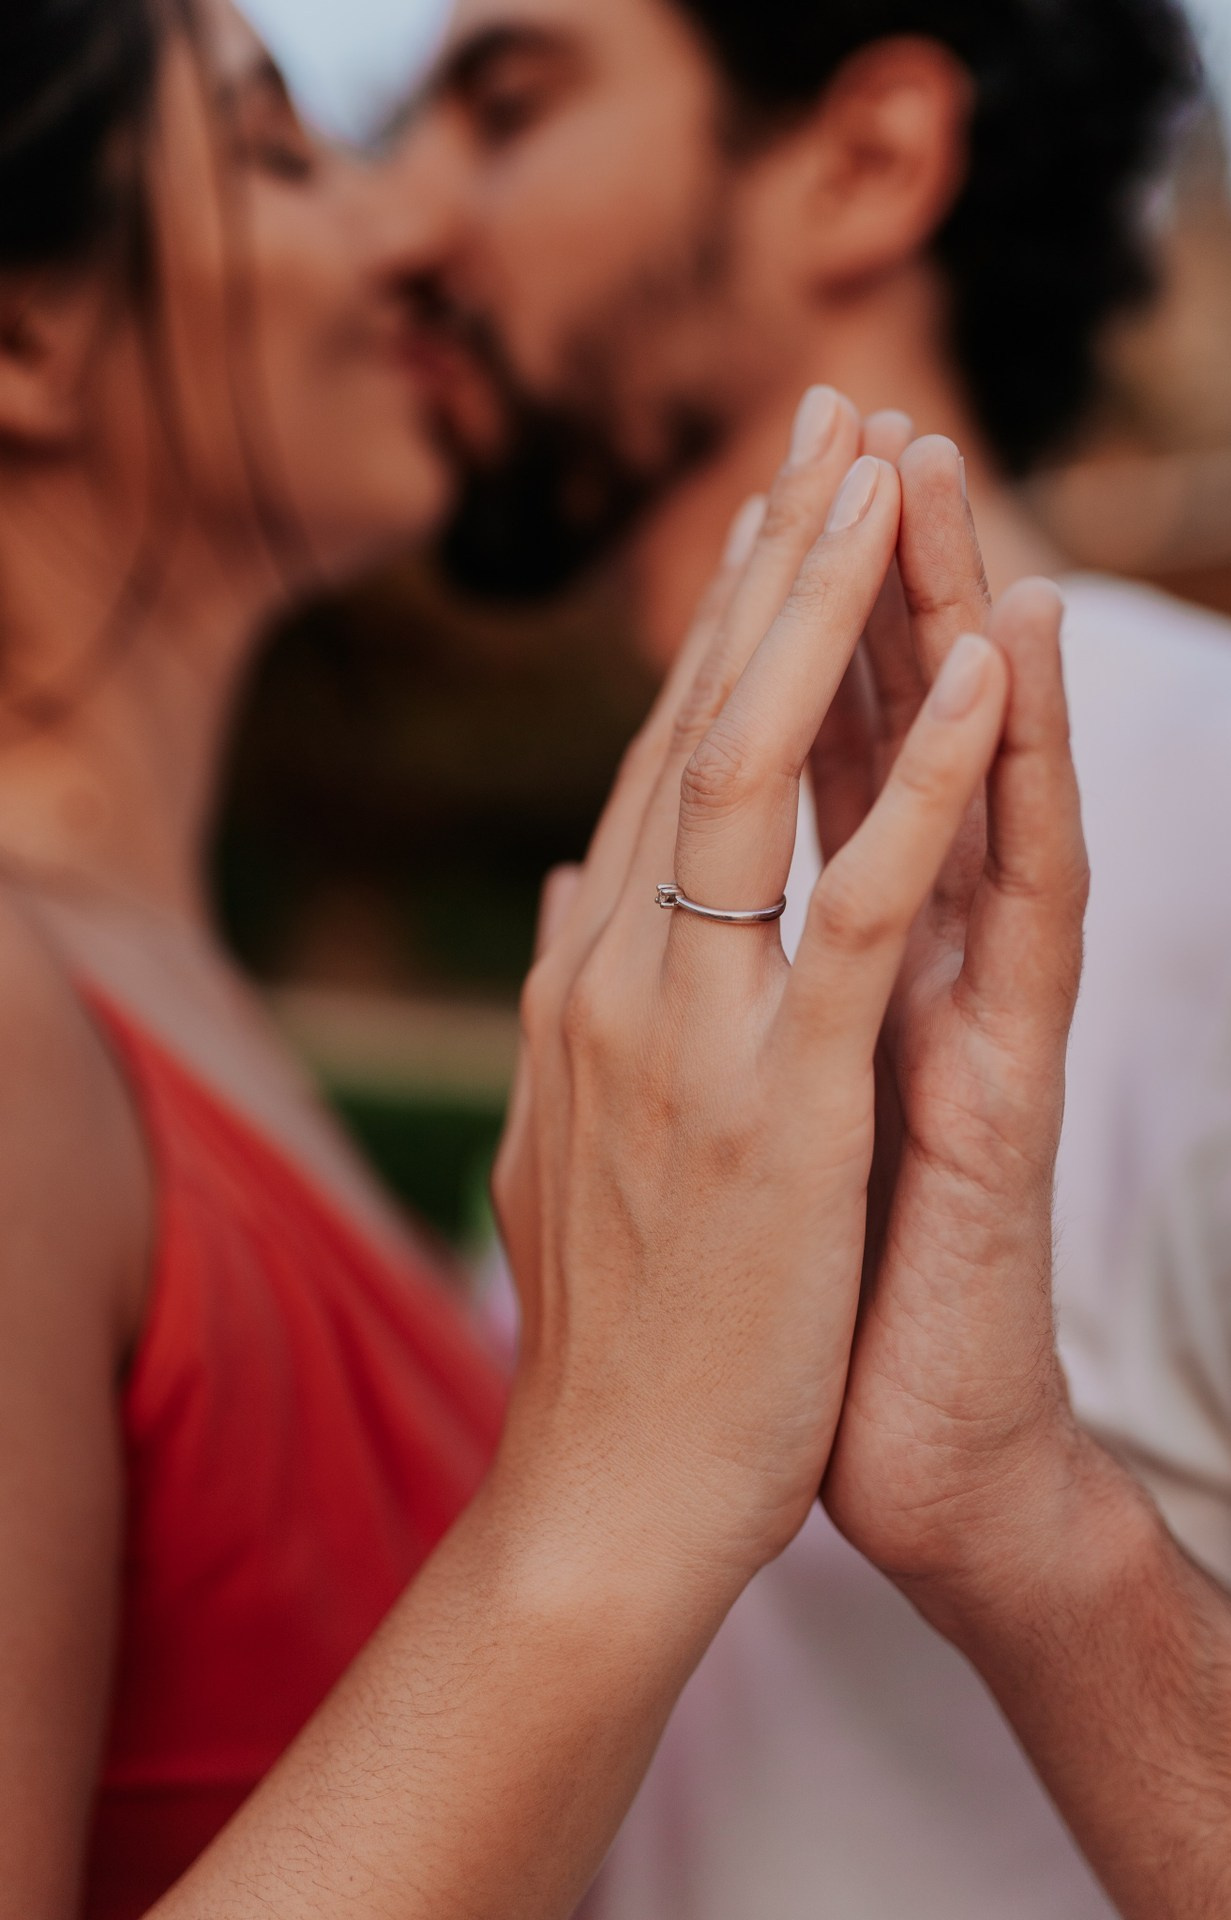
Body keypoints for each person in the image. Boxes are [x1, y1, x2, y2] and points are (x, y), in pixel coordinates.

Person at [0, 2, 1093, 1915]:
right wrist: (623, 1483)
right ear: (20, 338)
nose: (410, 235)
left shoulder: (138, 993)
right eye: (280, 152)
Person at [398, 2, 1231, 1914]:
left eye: (508, 104)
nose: (408, 222)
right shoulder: (638, 900)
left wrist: (1039, 1534)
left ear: (870, 159)